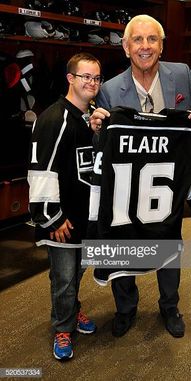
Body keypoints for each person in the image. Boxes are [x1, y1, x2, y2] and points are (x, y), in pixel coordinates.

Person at [89, 15, 191, 338]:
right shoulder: (109, 90)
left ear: (162, 46)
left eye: (152, 40)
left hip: (168, 187)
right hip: (127, 189)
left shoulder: (181, 75)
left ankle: (169, 306)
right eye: (138, 40)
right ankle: (125, 308)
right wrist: (94, 128)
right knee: (123, 244)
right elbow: (101, 142)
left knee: (168, 244)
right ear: (125, 47)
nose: (145, 47)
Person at [28, 52, 103, 360]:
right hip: (61, 219)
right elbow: (40, 171)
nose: (92, 83)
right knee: (63, 278)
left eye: (97, 78)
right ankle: (63, 326)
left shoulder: (92, 115)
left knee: (76, 274)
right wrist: (51, 218)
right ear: (70, 78)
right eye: (86, 77)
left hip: (85, 214)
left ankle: (72, 309)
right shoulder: (54, 119)